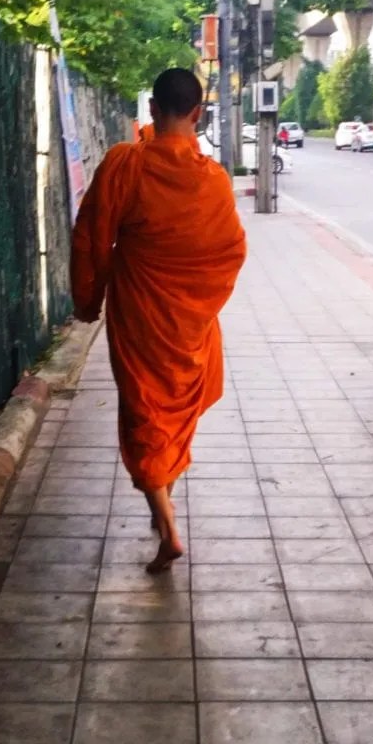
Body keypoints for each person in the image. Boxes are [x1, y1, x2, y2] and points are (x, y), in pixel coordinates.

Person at [71, 68, 246, 573]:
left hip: (140, 315)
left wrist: (88, 299)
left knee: (144, 413)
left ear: (152, 109)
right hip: (189, 324)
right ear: (197, 113)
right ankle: (162, 504)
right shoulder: (213, 180)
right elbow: (231, 250)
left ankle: (167, 526)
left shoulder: (124, 165)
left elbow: (92, 237)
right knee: (172, 413)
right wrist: (199, 302)